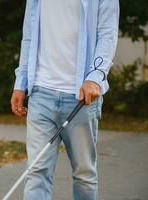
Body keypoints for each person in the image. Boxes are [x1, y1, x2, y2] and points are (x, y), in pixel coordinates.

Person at [10, 0, 119, 199]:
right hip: (41, 93)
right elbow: (29, 36)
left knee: (84, 175)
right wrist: (21, 82)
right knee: (36, 172)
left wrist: (95, 77)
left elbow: (107, 34)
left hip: (81, 98)